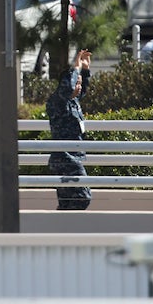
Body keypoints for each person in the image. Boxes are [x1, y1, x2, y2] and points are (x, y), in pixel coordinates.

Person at [46, 49, 92, 210]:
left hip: (75, 156)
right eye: (75, 83)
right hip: (64, 158)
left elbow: (83, 89)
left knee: (67, 202)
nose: (78, 87)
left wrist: (85, 70)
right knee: (83, 197)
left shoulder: (73, 102)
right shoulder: (57, 102)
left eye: (79, 83)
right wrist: (76, 68)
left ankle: (62, 230)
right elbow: (67, 88)